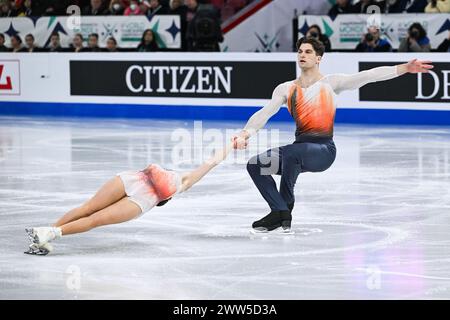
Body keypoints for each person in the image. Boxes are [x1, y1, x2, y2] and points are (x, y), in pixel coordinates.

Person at [231, 37, 432, 233]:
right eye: (300, 51)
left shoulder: (331, 83)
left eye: (308, 51)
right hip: (298, 150)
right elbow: (265, 112)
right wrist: (245, 133)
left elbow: (368, 75)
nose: (303, 54)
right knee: (256, 164)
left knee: (292, 152)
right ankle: (279, 210)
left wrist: (404, 68)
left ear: (318, 58)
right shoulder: (286, 89)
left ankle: (286, 209)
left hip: (322, 151)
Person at [25, 142, 234, 255]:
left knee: (92, 216)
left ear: (164, 201)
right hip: (133, 181)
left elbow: (212, 162)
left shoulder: (183, 183)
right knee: (90, 211)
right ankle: (45, 235)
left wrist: (232, 145)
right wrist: (232, 143)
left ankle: (48, 233)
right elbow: (211, 161)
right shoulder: (180, 180)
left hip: (139, 196)